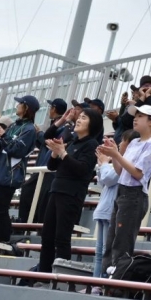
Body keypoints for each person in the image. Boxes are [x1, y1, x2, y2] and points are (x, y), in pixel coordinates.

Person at [38, 108, 101, 273]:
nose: (78, 120)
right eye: (79, 117)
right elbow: (52, 166)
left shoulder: (91, 144)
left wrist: (63, 154)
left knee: (62, 238)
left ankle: (61, 276)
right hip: (56, 190)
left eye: (84, 118)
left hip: (71, 194)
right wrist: (55, 153)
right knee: (47, 236)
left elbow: (82, 169)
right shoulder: (73, 141)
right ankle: (43, 275)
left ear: (93, 123)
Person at [100, 106, 151, 274]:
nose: (135, 118)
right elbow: (121, 171)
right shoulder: (134, 142)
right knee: (112, 240)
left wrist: (116, 155)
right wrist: (115, 153)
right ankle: (106, 279)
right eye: (136, 116)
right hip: (123, 192)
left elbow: (137, 173)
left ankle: (116, 281)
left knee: (122, 242)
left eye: (140, 116)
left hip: (134, 195)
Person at [91, 130, 140, 284]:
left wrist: (105, 163)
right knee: (99, 253)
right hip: (103, 209)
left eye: (122, 141)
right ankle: (95, 282)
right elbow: (102, 181)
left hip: (111, 210)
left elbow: (109, 177)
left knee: (106, 251)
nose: (119, 144)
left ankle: (102, 282)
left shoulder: (127, 163)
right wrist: (102, 163)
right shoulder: (117, 162)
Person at [0, 96, 39, 243]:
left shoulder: (29, 129)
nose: (17, 106)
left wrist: (4, 136)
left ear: (26, 107)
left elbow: (17, 150)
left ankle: (4, 243)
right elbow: (2, 149)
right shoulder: (13, 126)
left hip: (10, 174)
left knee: (1, 211)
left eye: (20, 104)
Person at [18, 98, 66, 223]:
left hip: (47, 169)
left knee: (30, 192)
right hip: (43, 166)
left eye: (51, 107)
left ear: (54, 109)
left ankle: (25, 223)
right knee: (30, 193)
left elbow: (49, 142)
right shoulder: (56, 124)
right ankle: (25, 223)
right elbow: (43, 145)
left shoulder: (62, 126)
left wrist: (39, 133)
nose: (49, 110)